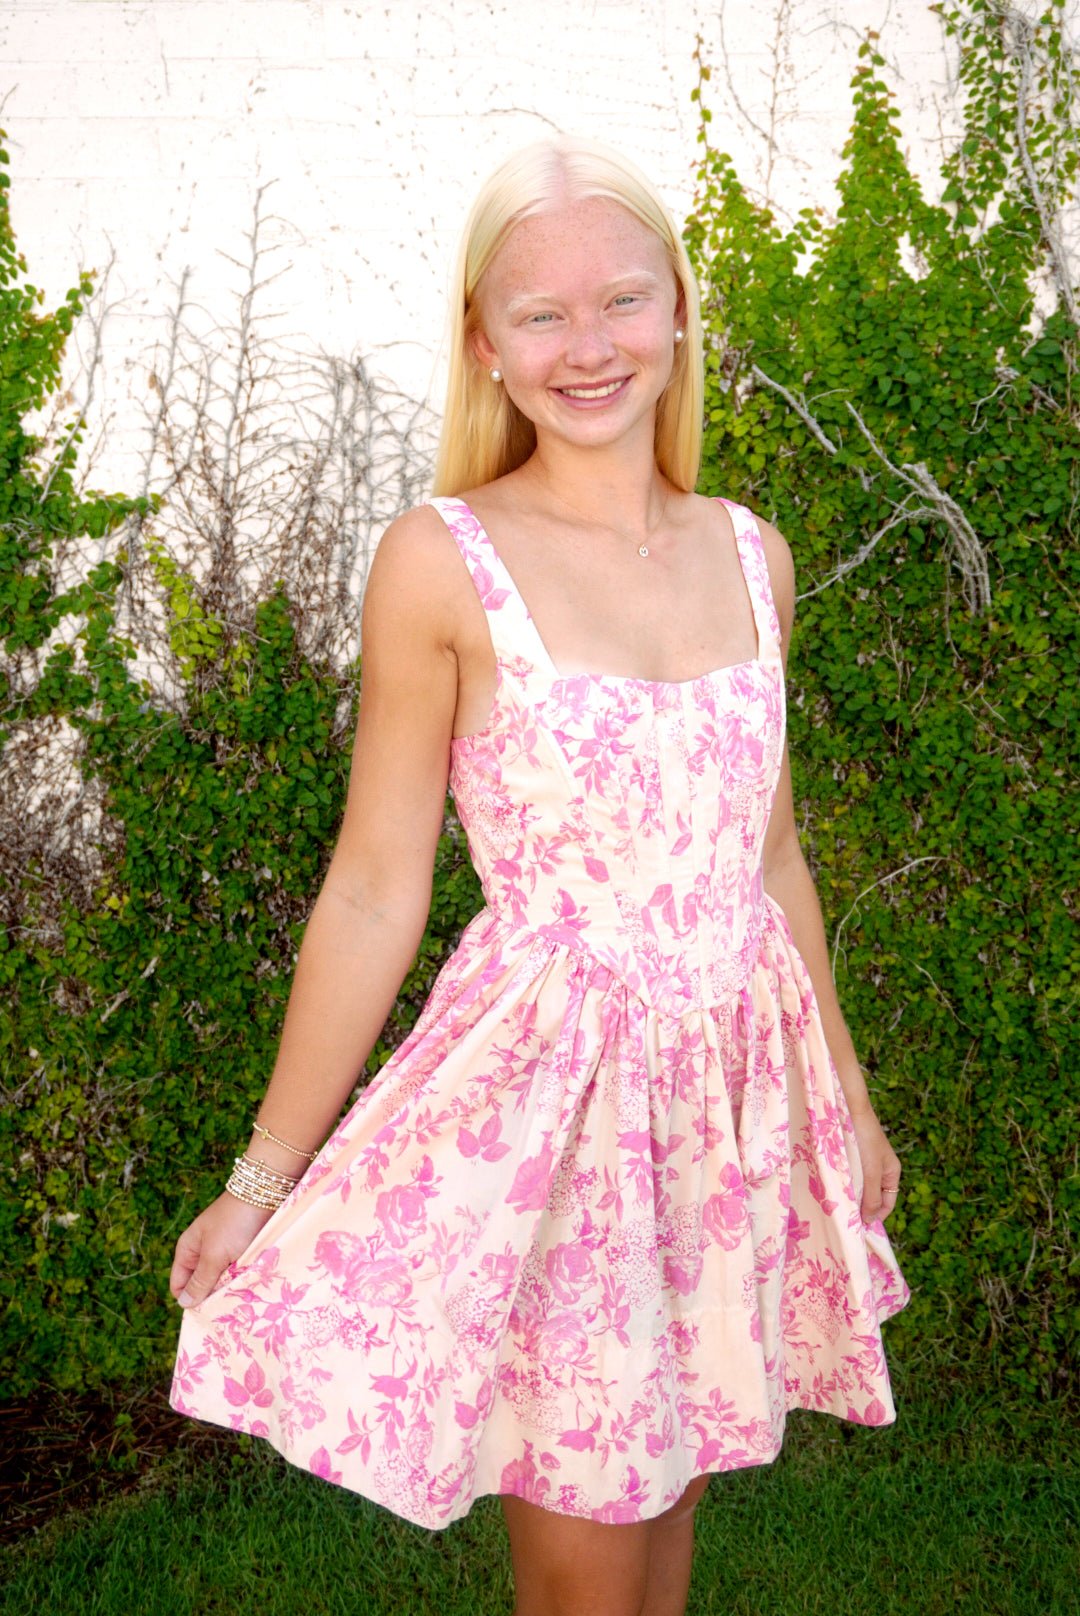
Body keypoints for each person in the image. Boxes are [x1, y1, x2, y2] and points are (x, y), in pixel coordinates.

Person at [169, 134, 908, 1616]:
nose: (590, 346)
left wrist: (845, 1089)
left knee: (668, 1526)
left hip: (725, 1105)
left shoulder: (749, 554)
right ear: (485, 345)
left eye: (623, 299)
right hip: (557, 1115)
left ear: (679, 311)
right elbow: (374, 887)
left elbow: (769, 853)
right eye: (542, 314)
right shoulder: (440, 561)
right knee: (582, 1572)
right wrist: (263, 1178)